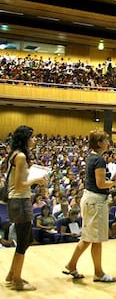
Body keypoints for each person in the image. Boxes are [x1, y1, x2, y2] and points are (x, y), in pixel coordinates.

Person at [63, 130, 116, 282]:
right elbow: (101, 184)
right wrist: (114, 182)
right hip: (96, 201)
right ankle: (99, 273)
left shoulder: (92, 157)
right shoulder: (99, 160)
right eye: (106, 140)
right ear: (100, 143)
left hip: (89, 199)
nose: (108, 143)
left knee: (88, 237)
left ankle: (71, 264)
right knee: (96, 239)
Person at [5, 125, 48, 291]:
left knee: (27, 239)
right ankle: (16, 281)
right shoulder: (21, 156)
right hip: (19, 201)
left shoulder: (16, 153)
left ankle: (12, 274)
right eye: (32, 137)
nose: (35, 139)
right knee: (23, 242)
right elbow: (19, 185)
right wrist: (35, 180)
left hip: (19, 201)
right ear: (25, 139)